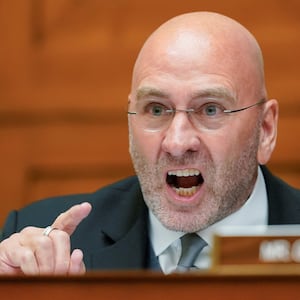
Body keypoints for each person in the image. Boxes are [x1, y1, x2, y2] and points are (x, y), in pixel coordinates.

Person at [0, 11, 299, 276]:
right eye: (156, 109)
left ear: (266, 128)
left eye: (210, 109)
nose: (178, 142)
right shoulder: (44, 246)